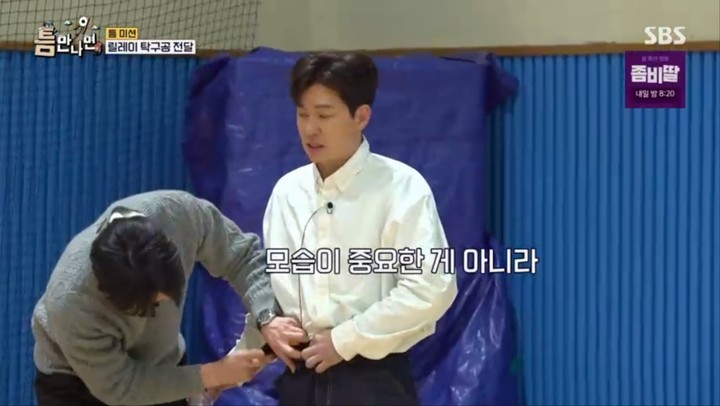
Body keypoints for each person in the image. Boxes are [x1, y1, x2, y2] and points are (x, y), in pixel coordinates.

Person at [244, 52, 458, 405]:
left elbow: (431, 287)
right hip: (300, 376)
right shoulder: (287, 192)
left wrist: (346, 339)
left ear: (361, 116)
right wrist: (261, 331)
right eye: (302, 114)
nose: (310, 129)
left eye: (324, 115)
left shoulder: (401, 187)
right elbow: (274, 281)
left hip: (373, 379)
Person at [30, 190, 304, 406]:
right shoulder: (71, 302)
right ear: (110, 295)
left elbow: (242, 257)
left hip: (161, 360)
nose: (161, 309)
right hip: (77, 382)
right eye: (151, 306)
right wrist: (213, 374)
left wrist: (267, 316)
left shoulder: (179, 217)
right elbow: (121, 386)